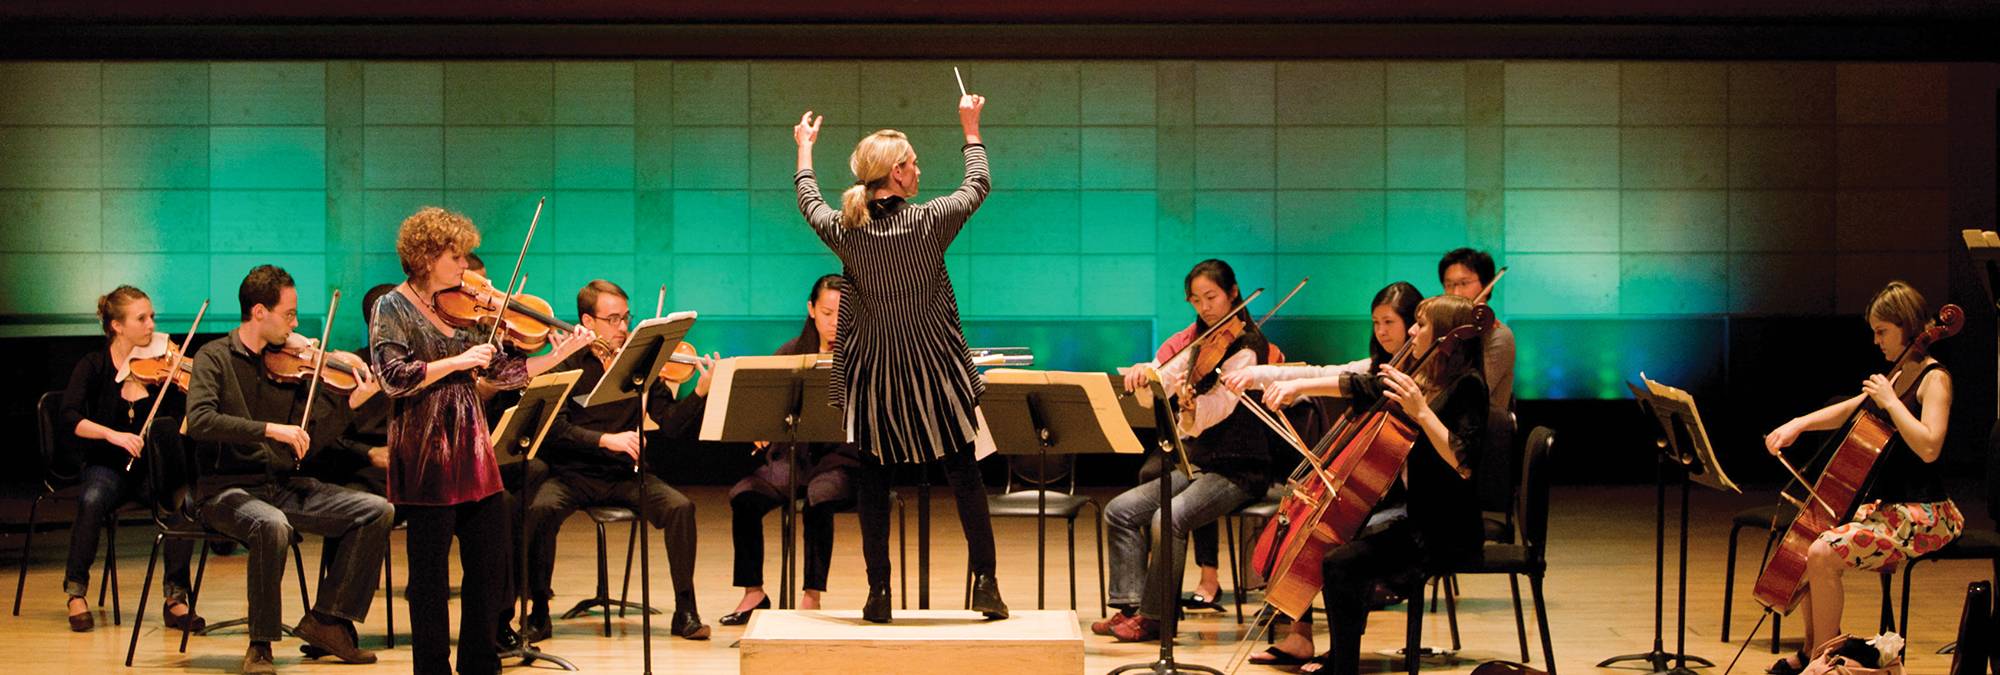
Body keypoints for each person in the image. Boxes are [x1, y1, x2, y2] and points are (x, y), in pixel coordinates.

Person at [790, 89, 1008, 623]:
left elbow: (808, 200)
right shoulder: (929, 221)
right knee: (964, 473)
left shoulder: (847, 229)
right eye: (911, 163)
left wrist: (804, 148)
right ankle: (986, 585)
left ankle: (878, 595)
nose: (918, 169)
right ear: (897, 174)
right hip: (934, 371)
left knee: (874, 481)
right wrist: (970, 126)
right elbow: (978, 184)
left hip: (874, 378)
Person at [370, 208, 592, 675]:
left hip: (473, 451)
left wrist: (560, 354)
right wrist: (456, 362)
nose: (465, 267)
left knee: (488, 569)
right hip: (426, 452)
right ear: (428, 257)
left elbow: (502, 372)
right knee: (429, 580)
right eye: (456, 257)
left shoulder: (465, 306)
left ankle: (480, 663)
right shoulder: (393, 306)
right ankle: (432, 669)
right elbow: (392, 378)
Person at [1254, 293, 1489, 675]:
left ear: (1446, 335)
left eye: (1422, 324)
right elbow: (1363, 386)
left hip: (1447, 532)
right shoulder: (1423, 376)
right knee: (1339, 561)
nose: (1412, 330)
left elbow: (1463, 462)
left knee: (1344, 562)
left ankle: (1340, 666)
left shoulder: (1469, 386)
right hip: (1418, 522)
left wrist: (1422, 412)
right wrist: (1298, 387)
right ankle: (1341, 664)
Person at [185, 265, 393, 674]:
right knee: (272, 525)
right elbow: (201, 421)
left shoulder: (289, 366)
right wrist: (267, 429)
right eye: (290, 314)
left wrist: (349, 406)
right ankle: (260, 645)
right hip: (226, 491)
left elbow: (310, 441)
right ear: (259, 311)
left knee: (377, 510)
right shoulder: (213, 358)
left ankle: (328, 621)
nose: (296, 325)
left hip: (281, 483)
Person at [1762, 281, 1963, 675]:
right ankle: (1812, 651)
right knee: (1811, 534)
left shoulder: (1934, 379)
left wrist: (1891, 402)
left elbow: (1929, 446)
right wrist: (1797, 425)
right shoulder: (1898, 373)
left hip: (1926, 515)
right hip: (1890, 510)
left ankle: (1824, 660)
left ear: (1907, 327)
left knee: (1823, 552)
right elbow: (1848, 410)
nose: (1876, 341)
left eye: (1882, 331)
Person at [1221, 280, 1423, 665]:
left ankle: (1342, 650)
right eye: (1376, 322)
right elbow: (1324, 371)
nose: (1381, 331)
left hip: (1405, 503)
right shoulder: (1377, 366)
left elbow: (1352, 385)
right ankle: (1300, 635)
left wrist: (1299, 387)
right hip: (1373, 492)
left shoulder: (1412, 377)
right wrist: (1256, 376)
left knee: (1339, 542)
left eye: (1389, 322)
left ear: (1413, 324)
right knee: (1304, 523)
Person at [520, 279, 716, 642]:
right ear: (587, 321)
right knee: (541, 510)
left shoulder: (638, 365)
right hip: (573, 474)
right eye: (613, 319)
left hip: (625, 476)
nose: (624, 328)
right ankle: (538, 611)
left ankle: (685, 611)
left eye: (626, 318)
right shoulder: (569, 363)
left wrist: (700, 394)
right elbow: (554, 428)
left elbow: (671, 424)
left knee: (680, 508)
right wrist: (604, 439)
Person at [1094, 259, 1275, 642]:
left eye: (1211, 297)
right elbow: (1164, 377)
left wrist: (1191, 410)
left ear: (1233, 293)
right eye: (1196, 300)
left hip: (1240, 470)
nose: (1205, 307)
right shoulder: (1199, 339)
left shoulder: (1247, 346)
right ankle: (1132, 607)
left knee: (1168, 518)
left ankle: (1158, 618)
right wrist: (1145, 375)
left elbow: (1218, 408)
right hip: (1201, 463)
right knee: (1120, 511)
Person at [56, 285, 202, 633]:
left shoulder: (161, 366)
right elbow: (70, 417)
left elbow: (179, 425)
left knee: (183, 502)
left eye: (152, 316)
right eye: (142, 318)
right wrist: (113, 434)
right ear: (117, 326)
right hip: (107, 467)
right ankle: (76, 592)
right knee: (92, 499)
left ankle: (176, 599)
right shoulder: (94, 365)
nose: (152, 325)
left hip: (151, 471)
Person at [722, 274, 862, 624]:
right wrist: (760, 428)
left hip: (838, 460)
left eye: (842, 314)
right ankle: (753, 592)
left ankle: (811, 596)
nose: (834, 322)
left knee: (819, 495)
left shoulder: (861, 355)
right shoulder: (791, 352)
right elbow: (764, 409)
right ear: (811, 309)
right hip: (791, 459)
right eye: (827, 313)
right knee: (744, 495)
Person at [1438, 248, 1515, 464]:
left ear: (1486, 286)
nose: (1456, 292)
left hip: (1478, 443)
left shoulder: (1498, 335)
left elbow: (1468, 393)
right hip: (1445, 431)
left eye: (1463, 283)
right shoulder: (1446, 332)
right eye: (1449, 284)